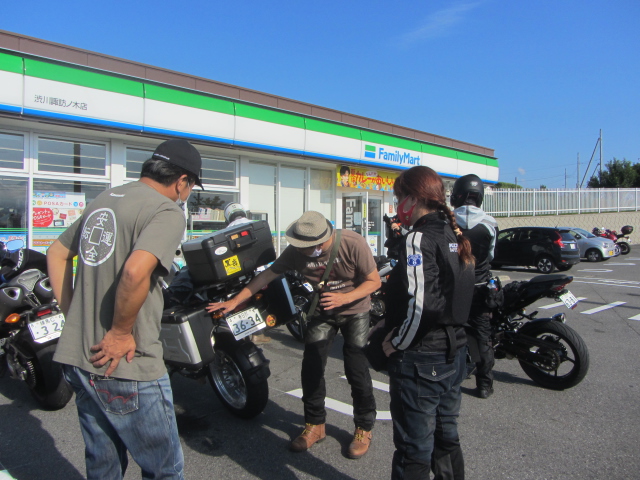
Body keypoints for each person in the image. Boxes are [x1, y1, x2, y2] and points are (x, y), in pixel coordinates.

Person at [47, 139, 203, 480]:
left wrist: (73, 316)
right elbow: (135, 272)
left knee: (103, 467)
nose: (187, 194)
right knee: (164, 469)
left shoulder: (105, 199)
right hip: (128, 364)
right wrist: (119, 333)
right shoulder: (166, 211)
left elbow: (56, 254)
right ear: (182, 181)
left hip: (81, 357)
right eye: (191, 187)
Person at [206, 210, 381, 458]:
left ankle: (363, 427)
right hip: (322, 312)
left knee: (356, 369)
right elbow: (266, 275)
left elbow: (374, 281)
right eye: (299, 246)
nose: (301, 251)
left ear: (321, 241)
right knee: (311, 367)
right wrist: (234, 301)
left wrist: (345, 298)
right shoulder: (295, 252)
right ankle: (315, 424)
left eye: (306, 247)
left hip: (355, 311)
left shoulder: (353, 243)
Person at [379, 165, 475, 480]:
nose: (397, 207)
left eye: (399, 199)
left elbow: (424, 306)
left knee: (413, 449)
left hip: (422, 359)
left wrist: (396, 343)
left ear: (414, 198)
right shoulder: (452, 233)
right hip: (454, 351)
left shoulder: (418, 238)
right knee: (446, 438)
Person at [451, 174, 499, 399]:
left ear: (456, 196)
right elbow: (491, 255)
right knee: (483, 337)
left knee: (450, 332)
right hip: (480, 288)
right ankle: (484, 385)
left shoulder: (447, 222)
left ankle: (450, 379)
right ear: (479, 197)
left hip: (453, 289)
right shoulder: (490, 224)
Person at [222, 201, 270, 345]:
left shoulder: (226, 231)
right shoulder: (255, 224)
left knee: (240, 301)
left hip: (239, 274)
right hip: (261, 271)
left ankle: (251, 334)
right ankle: (258, 333)